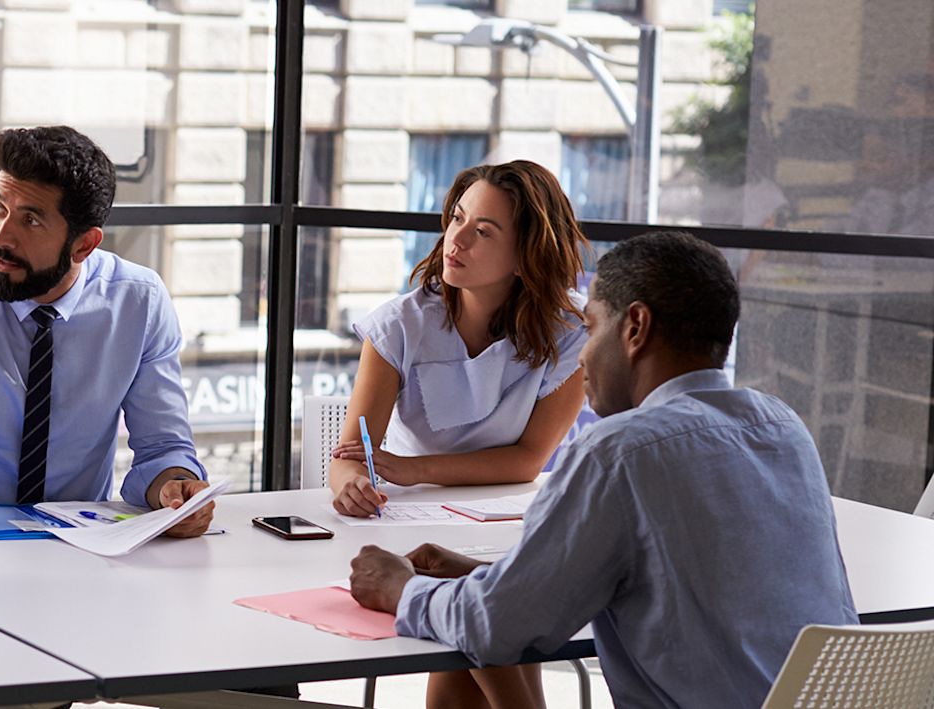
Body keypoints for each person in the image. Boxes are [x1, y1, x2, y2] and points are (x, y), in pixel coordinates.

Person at [348, 231, 858, 709]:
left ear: (634, 328)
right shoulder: (784, 428)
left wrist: (400, 589)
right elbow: (684, 582)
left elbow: (495, 631)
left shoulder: (619, 453)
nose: (583, 357)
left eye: (590, 328)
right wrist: (497, 577)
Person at [323, 161, 590, 707]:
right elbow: (352, 454)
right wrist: (351, 480)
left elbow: (526, 461)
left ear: (525, 255)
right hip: (413, 525)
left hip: (512, 519)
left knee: (483, 614)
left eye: (483, 231)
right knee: (481, 623)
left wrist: (411, 469)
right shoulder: (400, 324)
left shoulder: (573, 334)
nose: (456, 240)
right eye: (457, 219)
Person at [0, 125, 212, 537]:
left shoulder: (138, 303)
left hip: (81, 549)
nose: (1, 237)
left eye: (30, 220)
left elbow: (163, 450)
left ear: (84, 245)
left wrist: (175, 492)